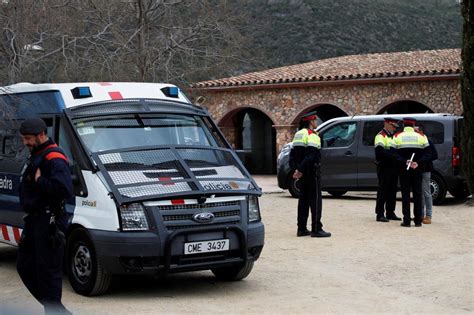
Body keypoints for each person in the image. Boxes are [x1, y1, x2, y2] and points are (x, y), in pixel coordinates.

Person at [16, 118, 72, 314]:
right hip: (34, 220)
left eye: (28, 138)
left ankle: (54, 310)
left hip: (50, 222)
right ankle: (56, 309)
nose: (25, 143)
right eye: (24, 138)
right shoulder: (38, 154)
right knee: (25, 266)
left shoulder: (54, 157)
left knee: (48, 273)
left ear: (41, 135)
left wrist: (40, 181)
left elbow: (63, 189)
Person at [289, 111, 331, 238]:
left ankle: (301, 229)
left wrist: (295, 170)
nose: (316, 122)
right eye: (315, 120)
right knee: (316, 201)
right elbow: (311, 156)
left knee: (303, 201)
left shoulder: (298, 134)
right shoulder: (312, 135)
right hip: (311, 172)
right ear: (311, 122)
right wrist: (301, 169)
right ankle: (317, 228)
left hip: (302, 174)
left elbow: (292, 155)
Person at [390, 118, 430, 227]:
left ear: (404, 125)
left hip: (404, 170)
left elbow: (392, 153)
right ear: (413, 125)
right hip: (417, 169)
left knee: (405, 195)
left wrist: (404, 161)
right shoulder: (422, 137)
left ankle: (406, 221)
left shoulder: (397, 136)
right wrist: (418, 162)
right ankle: (417, 221)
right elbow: (428, 154)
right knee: (417, 194)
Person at [374, 118, 401, 222]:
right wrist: (393, 155)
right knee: (383, 190)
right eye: (393, 126)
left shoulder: (393, 136)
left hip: (393, 167)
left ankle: (390, 212)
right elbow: (379, 153)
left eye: (395, 127)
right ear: (386, 124)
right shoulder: (380, 136)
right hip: (384, 166)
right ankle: (380, 213)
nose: (394, 128)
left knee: (392, 190)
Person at [415, 126, 438, 224]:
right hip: (418, 170)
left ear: (421, 131)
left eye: (416, 131)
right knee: (419, 193)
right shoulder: (416, 141)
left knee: (426, 193)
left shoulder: (427, 141)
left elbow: (434, 155)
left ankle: (428, 216)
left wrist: (423, 160)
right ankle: (420, 215)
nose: (414, 133)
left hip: (425, 169)